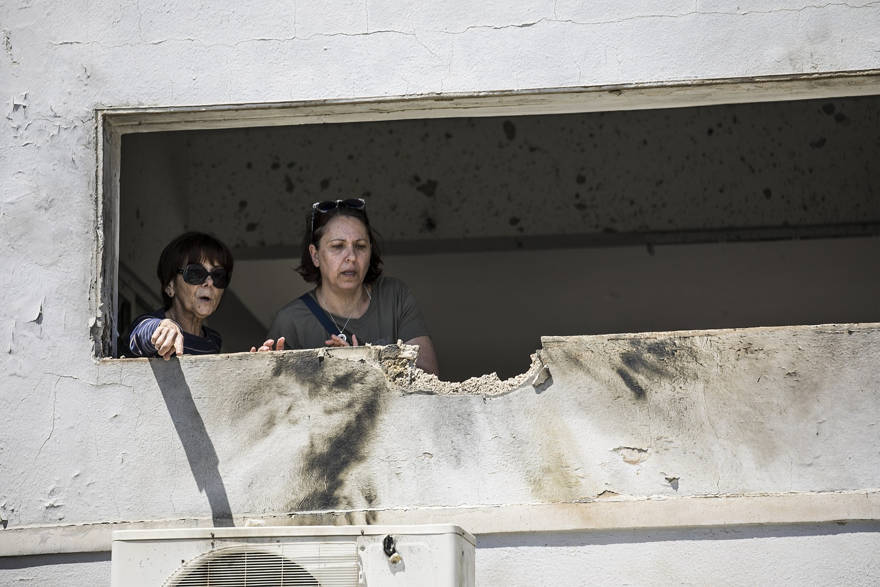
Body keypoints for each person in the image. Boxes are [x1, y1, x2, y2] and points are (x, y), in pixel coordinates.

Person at [252, 198, 439, 375]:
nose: (351, 257)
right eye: (338, 246)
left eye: (360, 246)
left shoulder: (394, 297)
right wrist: (266, 374)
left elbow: (429, 375)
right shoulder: (291, 321)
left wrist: (365, 364)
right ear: (315, 255)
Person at [128, 232, 233, 359]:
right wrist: (163, 328)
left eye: (218, 276)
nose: (209, 282)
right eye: (195, 273)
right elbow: (140, 335)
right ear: (170, 286)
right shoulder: (148, 324)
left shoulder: (213, 341)